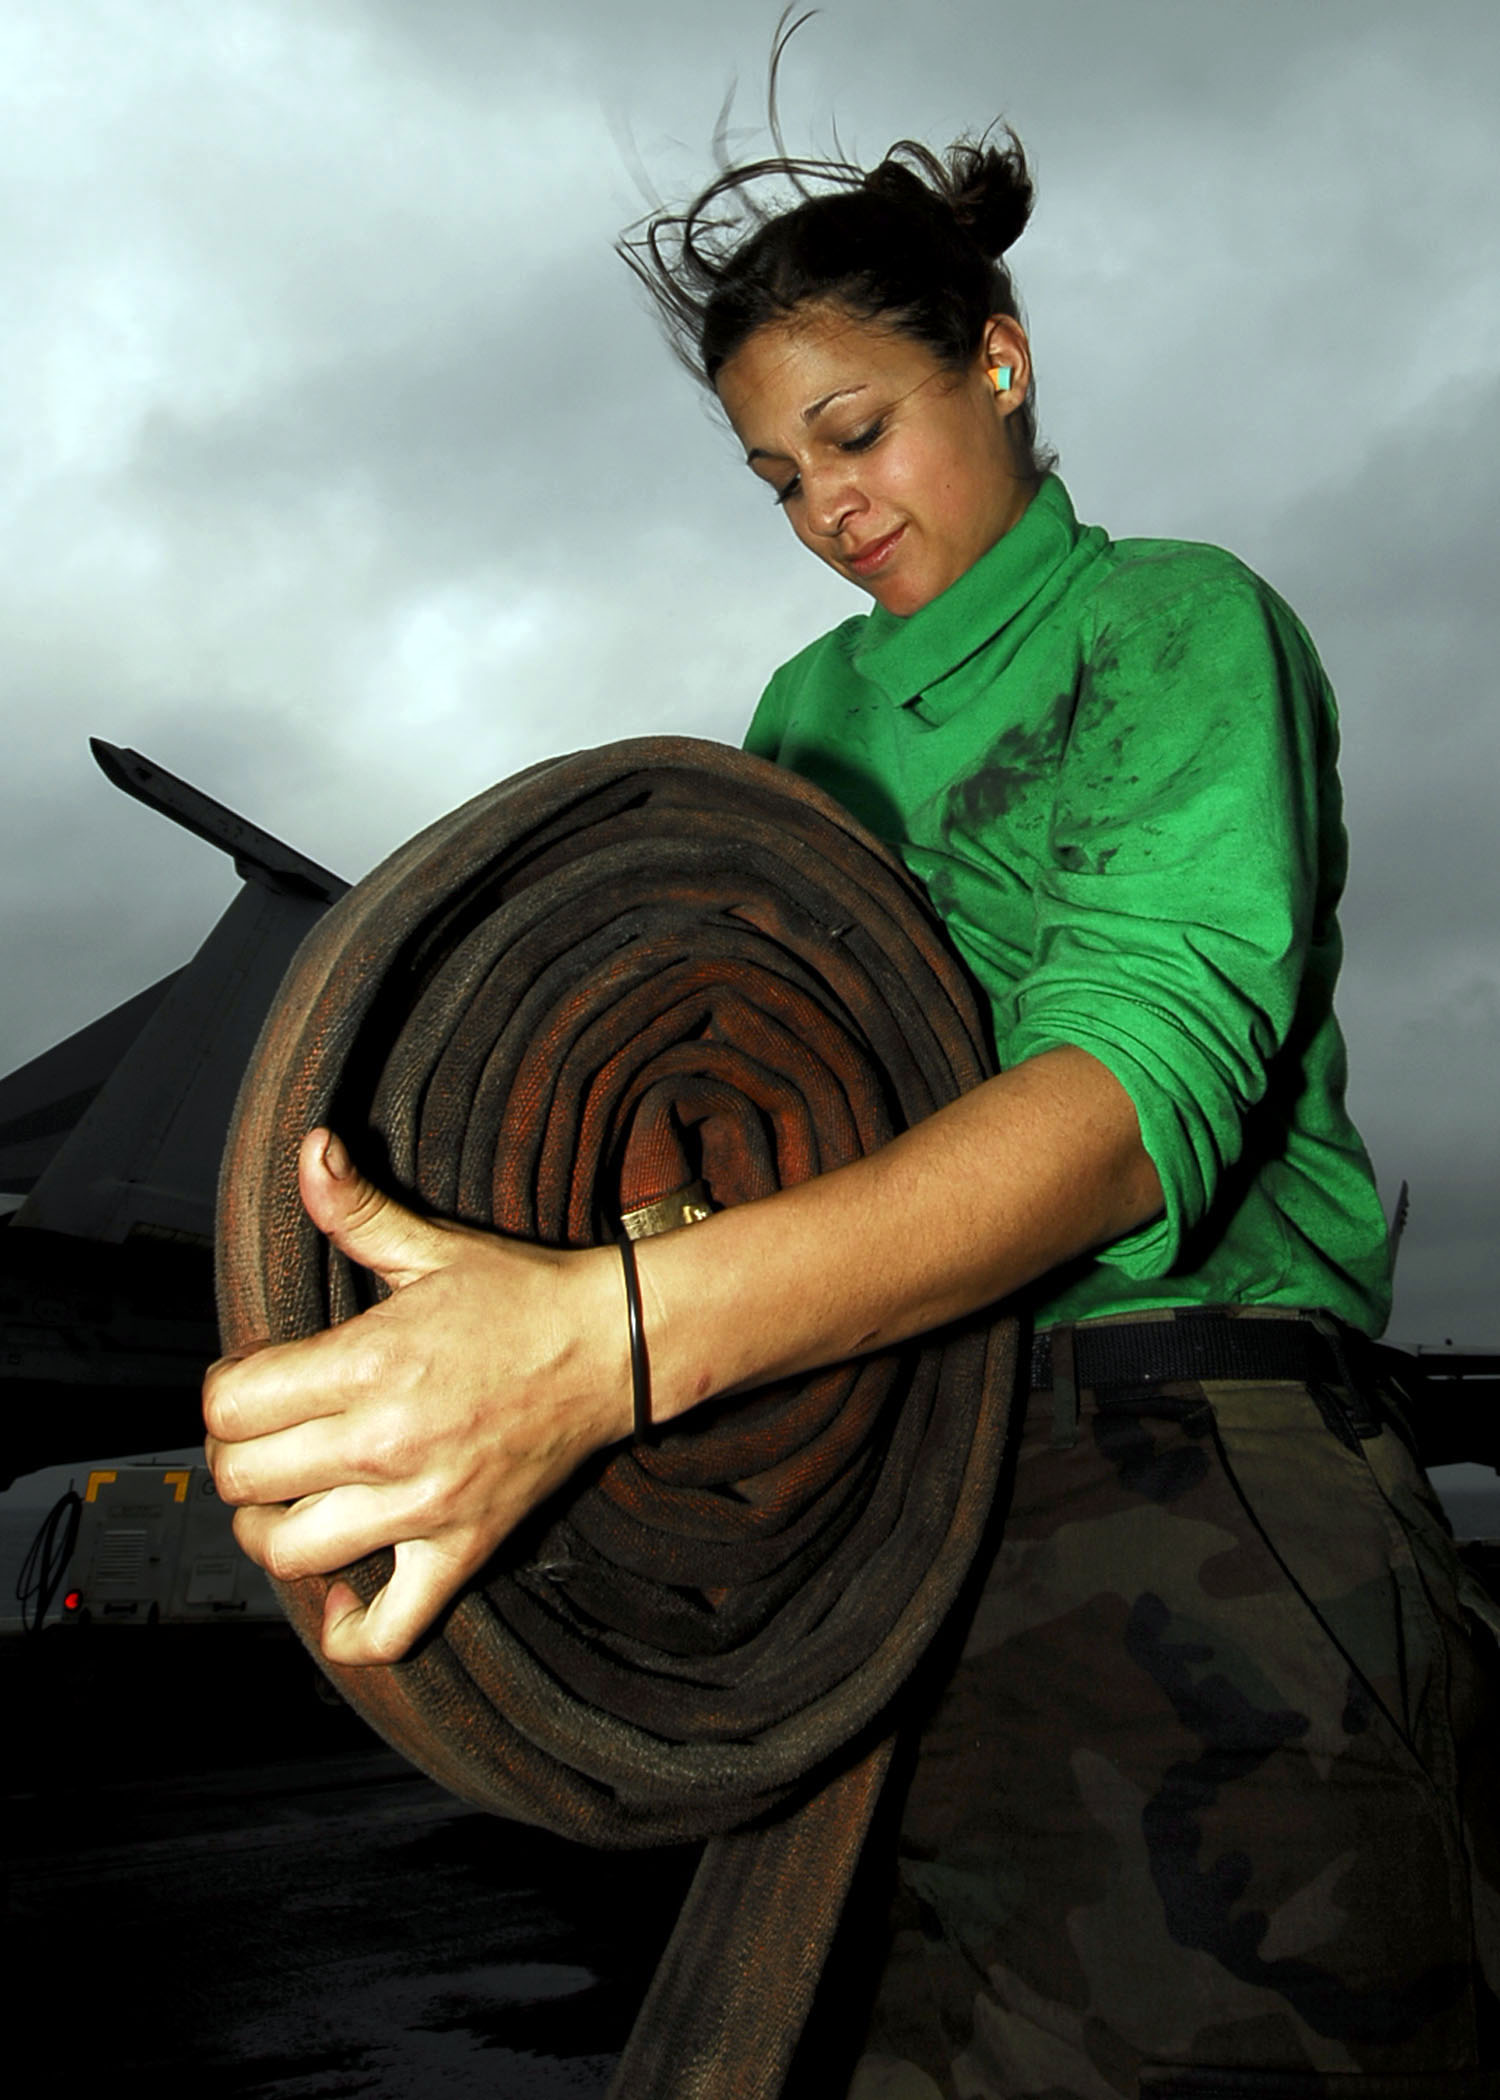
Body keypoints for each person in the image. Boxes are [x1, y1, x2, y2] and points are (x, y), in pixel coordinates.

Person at [203, 119, 1500, 2096]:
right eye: (777, 475)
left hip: (1199, 1470)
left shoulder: (1173, 626)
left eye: (855, 428)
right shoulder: (801, 721)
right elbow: (766, 1095)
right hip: (890, 1499)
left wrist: (603, 1347)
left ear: (996, 356)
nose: (827, 506)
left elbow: (1131, 1104)